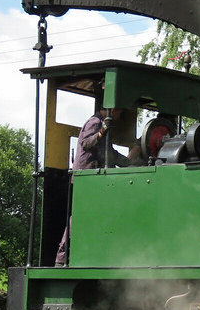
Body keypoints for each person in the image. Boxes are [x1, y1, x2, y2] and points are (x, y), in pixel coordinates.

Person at [55, 107, 140, 266]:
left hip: (97, 180)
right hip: (87, 179)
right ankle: (61, 260)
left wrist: (133, 161)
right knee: (79, 218)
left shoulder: (102, 126)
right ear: (113, 110)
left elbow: (111, 155)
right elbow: (86, 143)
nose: (120, 117)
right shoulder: (94, 122)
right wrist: (101, 131)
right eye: (120, 112)